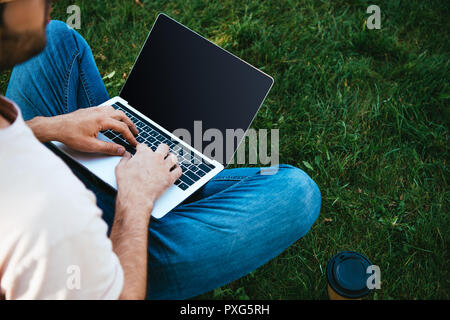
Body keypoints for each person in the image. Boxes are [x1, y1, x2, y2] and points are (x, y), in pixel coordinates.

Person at [0, 0, 321, 300]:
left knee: (56, 37)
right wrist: (135, 199)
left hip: (55, 168)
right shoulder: (41, 225)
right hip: (111, 239)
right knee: (298, 191)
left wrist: (47, 127)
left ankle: (170, 179)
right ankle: (170, 199)